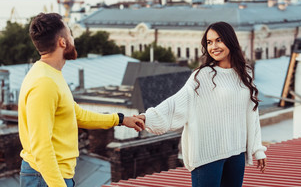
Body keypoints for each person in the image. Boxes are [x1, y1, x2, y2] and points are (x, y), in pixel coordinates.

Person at [18, 13, 145, 187]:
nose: (73, 39)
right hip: (45, 177)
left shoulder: (50, 75)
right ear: (63, 42)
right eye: (70, 34)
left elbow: (77, 115)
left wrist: (121, 119)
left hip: (51, 176)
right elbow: (41, 146)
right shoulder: (44, 83)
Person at [136, 21, 267, 187]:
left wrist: (258, 149)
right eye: (209, 42)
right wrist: (146, 118)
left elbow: (251, 113)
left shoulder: (245, 73)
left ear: (230, 41)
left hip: (236, 152)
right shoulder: (202, 76)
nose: (214, 46)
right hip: (208, 155)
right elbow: (176, 103)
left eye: (219, 40)